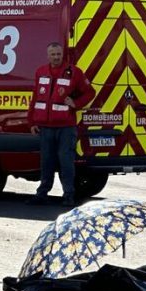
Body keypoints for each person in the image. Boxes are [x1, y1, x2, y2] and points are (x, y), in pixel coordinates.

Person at [26, 42, 95, 207]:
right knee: (46, 162)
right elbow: (35, 98)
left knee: (66, 162)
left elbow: (90, 92)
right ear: (48, 55)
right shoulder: (40, 72)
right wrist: (32, 121)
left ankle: (69, 196)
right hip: (45, 126)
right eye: (53, 54)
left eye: (58, 54)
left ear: (62, 55)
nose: (56, 57)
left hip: (66, 127)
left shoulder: (74, 73)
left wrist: (76, 103)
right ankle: (42, 194)